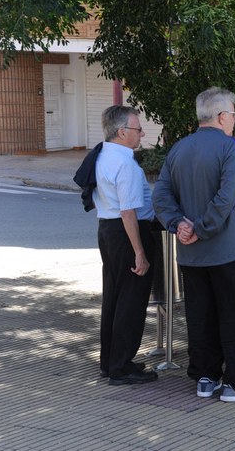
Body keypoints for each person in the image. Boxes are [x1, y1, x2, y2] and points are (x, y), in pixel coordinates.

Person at [153, 87, 235, 402]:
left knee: (200, 318)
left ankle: (205, 377)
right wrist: (200, 228)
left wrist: (179, 225)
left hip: (191, 254)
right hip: (229, 250)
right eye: (233, 114)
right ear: (221, 116)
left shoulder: (179, 149)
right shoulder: (232, 148)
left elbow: (160, 195)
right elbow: (227, 198)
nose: (234, 120)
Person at [91, 105, 158, 385]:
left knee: (115, 298)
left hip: (108, 231)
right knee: (131, 300)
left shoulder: (102, 154)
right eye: (137, 128)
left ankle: (111, 361)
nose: (141, 133)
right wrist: (140, 252)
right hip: (127, 233)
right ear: (122, 132)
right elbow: (128, 211)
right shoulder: (125, 163)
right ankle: (121, 366)